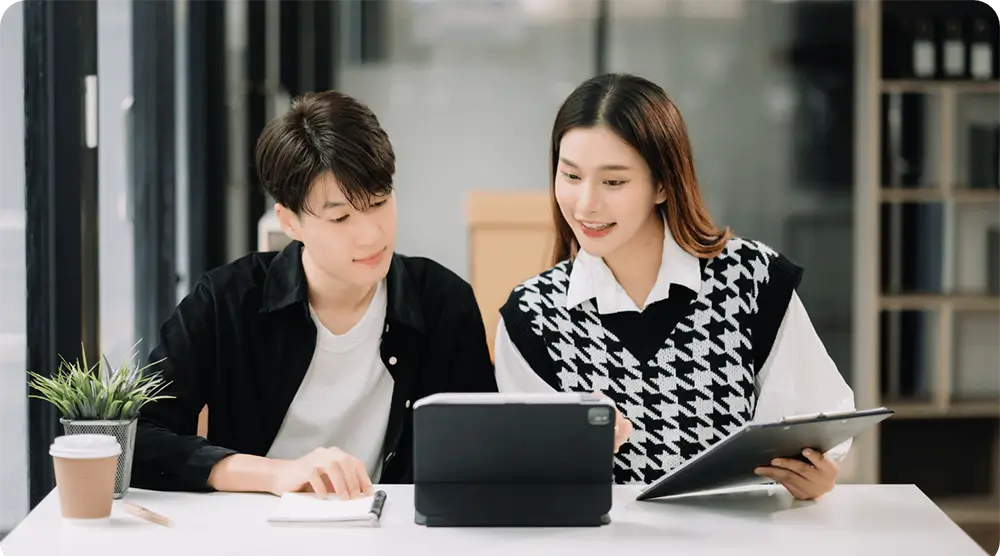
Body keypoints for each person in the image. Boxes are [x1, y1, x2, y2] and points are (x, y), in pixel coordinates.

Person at [494, 73, 855, 501]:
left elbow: (819, 423)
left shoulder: (751, 281)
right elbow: (527, 475)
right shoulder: (532, 316)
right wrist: (571, 449)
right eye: (571, 176)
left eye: (613, 182)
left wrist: (816, 478)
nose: (586, 203)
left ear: (663, 184)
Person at [131, 90, 497, 499]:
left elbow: (484, 458)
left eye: (379, 202)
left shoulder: (444, 304)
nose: (371, 234)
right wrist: (273, 476)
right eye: (340, 217)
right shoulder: (227, 301)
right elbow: (133, 438)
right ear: (290, 221)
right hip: (251, 536)